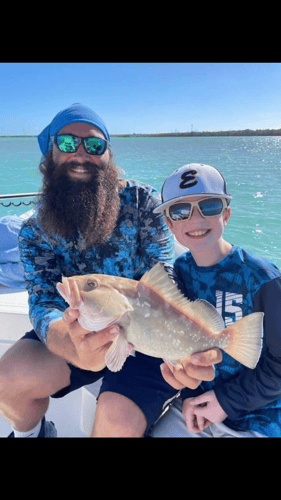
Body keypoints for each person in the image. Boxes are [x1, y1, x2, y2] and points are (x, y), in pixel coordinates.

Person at [0, 106, 221, 438]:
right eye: (66, 142)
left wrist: (179, 346)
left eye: (94, 145)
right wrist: (75, 346)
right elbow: (44, 302)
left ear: (108, 155)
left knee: (115, 426)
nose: (80, 154)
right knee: (7, 380)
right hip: (75, 331)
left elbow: (164, 277)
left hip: (147, 334)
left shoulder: (142, 201)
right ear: (50, 154)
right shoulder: (35, 231)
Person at [149, 163, 281, 437]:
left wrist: (225, 402)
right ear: (170, 224)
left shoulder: (264, 279)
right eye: (181, 211)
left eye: (209, 206)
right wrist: (188, 394)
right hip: (197, 405)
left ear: (226, 214)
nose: (195, 220)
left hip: (261, 413)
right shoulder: (180, 272)